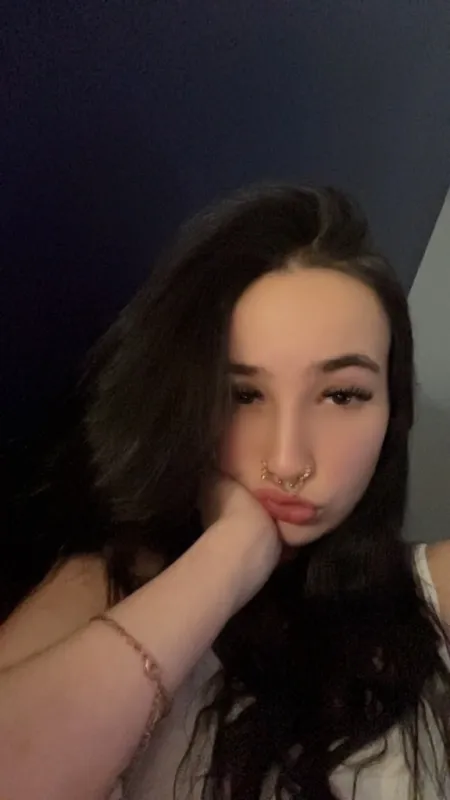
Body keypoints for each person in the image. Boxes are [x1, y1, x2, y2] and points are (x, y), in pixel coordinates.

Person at [1, 184, 449, 800]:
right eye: (243, 395)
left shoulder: (433, 598)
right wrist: (233, 553)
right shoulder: (98, 591)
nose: (288, 462)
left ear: (392, 409)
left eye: (342, 395)